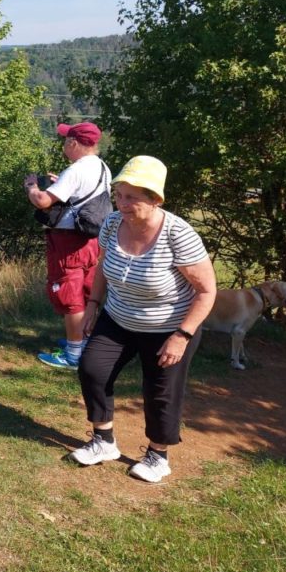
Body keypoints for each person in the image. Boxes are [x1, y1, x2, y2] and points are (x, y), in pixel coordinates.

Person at [68, 156, 216, 483]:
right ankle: (103, 441)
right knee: (93, 369)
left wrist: (182, 335)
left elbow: (207, 291)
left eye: (132, 197)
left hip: (168, 327)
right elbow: (103, 266)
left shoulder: (178, 234)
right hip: (118, 318)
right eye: (119, 195)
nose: (122, 203)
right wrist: (93, 303)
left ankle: (157, 456)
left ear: (155, 199)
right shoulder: (111, 224)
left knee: (160, 391)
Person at [23, 121, 111, 369]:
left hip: (69, 242)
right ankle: (82, 342)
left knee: (69, 293)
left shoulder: (76, 170)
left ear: (74, 143)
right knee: (85, 291)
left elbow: (42, 201)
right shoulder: (102, 167)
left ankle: (73, 355)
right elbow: (83, 196)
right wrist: (60, 181)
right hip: (93, 239)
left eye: (66, 140)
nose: (64, 144)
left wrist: (31, 186)